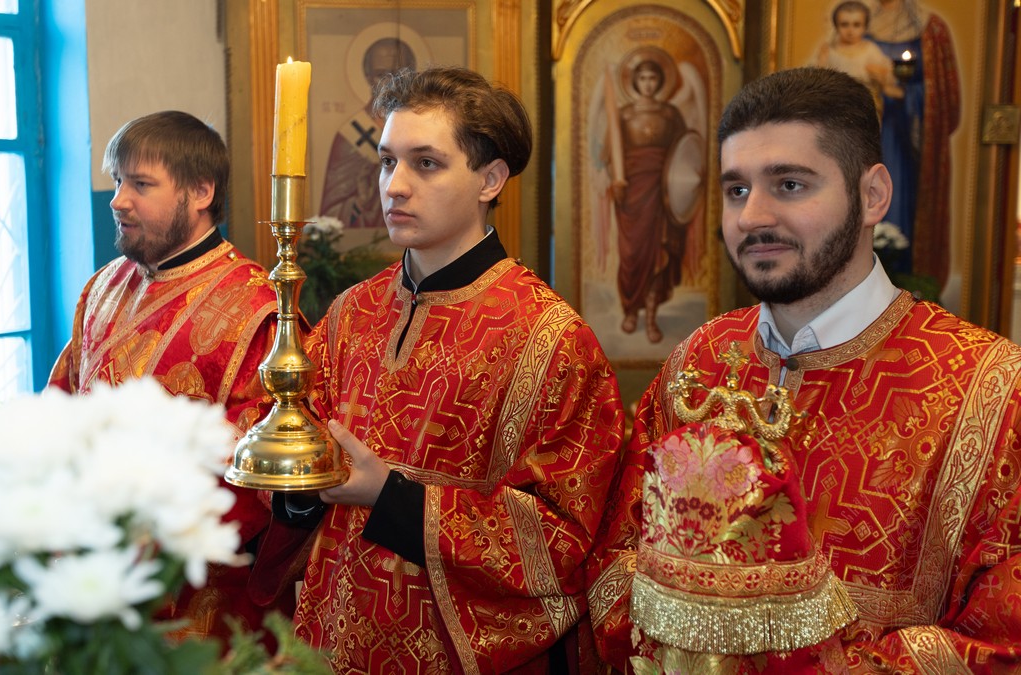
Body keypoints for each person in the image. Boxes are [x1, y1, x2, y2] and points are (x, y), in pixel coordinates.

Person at [588, 67, 1021, 672]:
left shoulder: (991, 390)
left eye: (789, 184)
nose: (752, 216)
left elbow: (1002, 638)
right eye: (736, 190)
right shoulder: (699, 360)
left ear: (873, 196)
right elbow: (615, 555)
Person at [262, 66, 625, 672]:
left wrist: (389, 496)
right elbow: (302, 461)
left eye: (425, 163)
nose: (395, 186)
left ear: (490, 179)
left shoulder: (551, 340)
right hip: (329, 643)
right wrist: (299, 489)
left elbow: (563, 539)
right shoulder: (352, 312)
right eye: (387, 162)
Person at [47, 111, 282, 644]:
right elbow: (61, 404)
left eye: (140, 184)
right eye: (116, 181)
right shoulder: (103, 286)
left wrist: (139, 537)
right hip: (89, 569)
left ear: (200, 192)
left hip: (191, 599)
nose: (117, 200)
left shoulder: (255, 311)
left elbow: (254, 473)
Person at [868, 0, 959, 282]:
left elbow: (945, 99)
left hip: (905, 136)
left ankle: (903, 273)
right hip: (867, 129)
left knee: (900, 198)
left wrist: (907, 93)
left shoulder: (930, 28)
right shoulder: (858, 21)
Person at [603, 54, 688, 344]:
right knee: (633, 256)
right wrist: (616, 180)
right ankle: (631, 311)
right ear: (635, 82)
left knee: (659, 254)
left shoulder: (670, 114)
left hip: (664, 191)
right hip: (632, 193)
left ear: (660, 81)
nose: (648, 84)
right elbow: (610, 155)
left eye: (653, 78)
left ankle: (650, 317)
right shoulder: (624, 115)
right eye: (642, 78)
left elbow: (685, 152)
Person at [317, 36, 417, 230]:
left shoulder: (424, 130)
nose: (389, 83)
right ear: (368, 76)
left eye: (397, 74)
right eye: (381, 74)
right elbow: (331, 214)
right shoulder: (350, 135)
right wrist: (360, 202)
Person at [814, 1, 903, 107]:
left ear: (865, 27)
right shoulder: (830, 51)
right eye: (844, 24)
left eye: (856, 25)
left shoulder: (869, 49)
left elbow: (887, 74)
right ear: (836, 26)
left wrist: (880, 74)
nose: (850, 30)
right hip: (838, 103)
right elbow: (820, 78)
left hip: (866, 102)